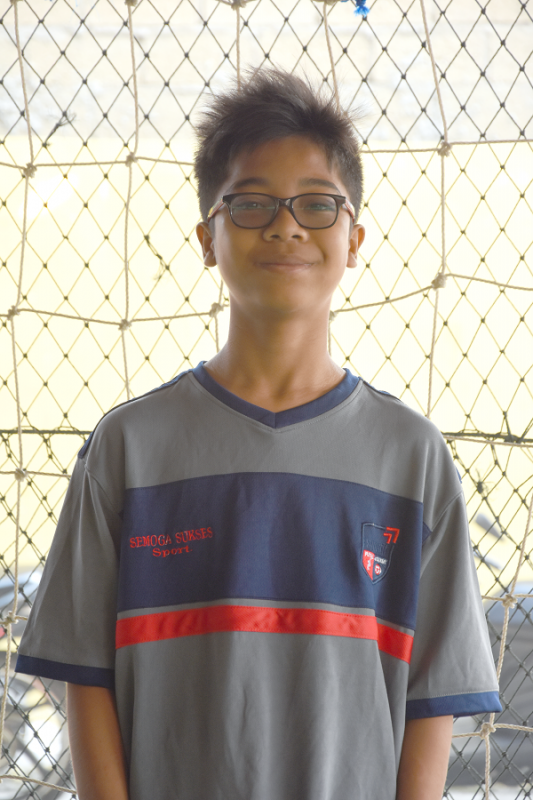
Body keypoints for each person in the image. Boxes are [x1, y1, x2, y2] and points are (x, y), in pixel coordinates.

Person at [15, 69, 501, 800]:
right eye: (250, 204)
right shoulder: (128, 448)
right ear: (207, 239)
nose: (285, 226)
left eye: (316, 204)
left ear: (354, 239)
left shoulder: (411, 457)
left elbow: (431, 703)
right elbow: (86, 681)